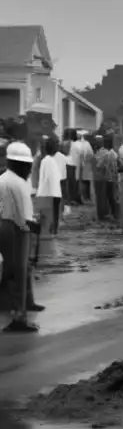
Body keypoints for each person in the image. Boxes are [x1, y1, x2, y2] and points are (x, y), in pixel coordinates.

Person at [0, 141, 43, 330]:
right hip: (16, 228)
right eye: (27, 166)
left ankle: (25, 302)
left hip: (6, 225)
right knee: (18, 270)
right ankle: (19, 317)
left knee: (18, 268)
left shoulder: (3, 179)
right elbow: (25, 217)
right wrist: (35, 227)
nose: (29, 170)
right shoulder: (18, 183)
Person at [36, 136, 63, 237]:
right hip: (50, 194)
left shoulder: (49, 160)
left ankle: (52, 233)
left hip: (51, 193)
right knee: (51, 218)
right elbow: (50, 179)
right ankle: (51, 234)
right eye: (56, 146)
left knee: (53, 217)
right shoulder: (48, 161)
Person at [94, 134, 119, 222]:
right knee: (109, 197)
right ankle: (111, 214)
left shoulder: (104, 153)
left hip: (103, 178)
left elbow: (99, 165)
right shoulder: (112, 153)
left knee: (103, 197)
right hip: (109, 178)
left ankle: (104, 215)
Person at [64, 128, 82, 206]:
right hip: (74, 164)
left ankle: (71, 199)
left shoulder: (67, 143)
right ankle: (72, 199)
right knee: (73, 183)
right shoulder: (76, 144)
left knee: (70, 183)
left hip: (68, 164)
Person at [78, 133, 96, 203]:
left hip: (83, 164)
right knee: (86, 182)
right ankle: (86, 197)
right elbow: (91, 154)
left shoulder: (83, 144)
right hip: (86, 165)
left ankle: (85, 197)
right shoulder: (87, 144)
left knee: (84, 181)